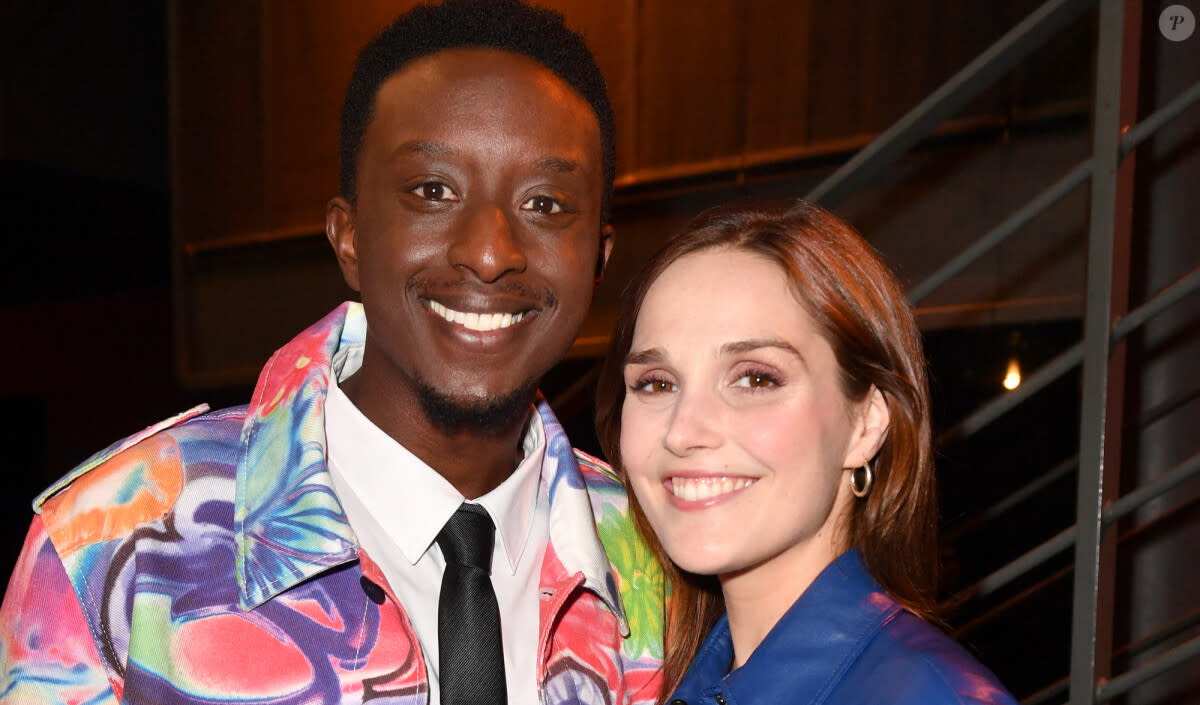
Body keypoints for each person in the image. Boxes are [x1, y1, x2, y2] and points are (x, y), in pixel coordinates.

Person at [0, 2, 665, 704]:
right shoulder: (110, 552)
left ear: (598, 257)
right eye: (433, 191)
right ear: (348, 237)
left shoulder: (659, 560)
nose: (491, 251)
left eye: (547, 204)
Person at [595, 201, 1017, 705]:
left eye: (755, 378)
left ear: (866, 423)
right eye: (657, 383)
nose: (682, 432)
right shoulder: (666, 675)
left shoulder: (928, 694)